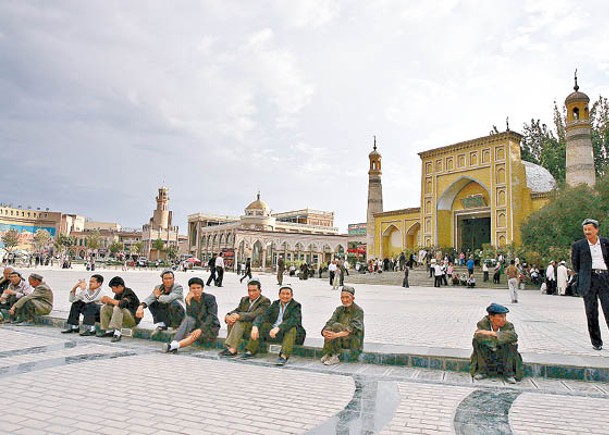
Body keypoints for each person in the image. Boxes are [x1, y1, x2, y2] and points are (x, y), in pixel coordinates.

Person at [241, 284, 306, 366]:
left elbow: (293, 320)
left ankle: (284, 356)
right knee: (263, 325)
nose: (285, 296)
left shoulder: (296, 305)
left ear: (291, 295)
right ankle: (250, 351)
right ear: (279, 295)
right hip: (275, 333)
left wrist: (278, 328)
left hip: (292, 335)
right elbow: (264, 315)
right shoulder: (275, 304)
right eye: (283, 293)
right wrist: (255, 326)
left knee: (291, 328)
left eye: (287, 294)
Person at [571, 218, 609, 350]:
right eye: (585, 230)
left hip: (605, 278)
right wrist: (585, 275)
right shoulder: (578, 246)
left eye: (589, 229)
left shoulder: (606, 243)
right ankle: (596, 342)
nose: (587, 232)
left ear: (596, 230)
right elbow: (576, 265)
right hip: (589, 280)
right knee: (591, 312)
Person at [162, 277, 220, 353]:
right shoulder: (190, 299)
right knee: (189, 319)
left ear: (202, 288)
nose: (196, 290)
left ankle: (173, 346)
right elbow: (190, 315)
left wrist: (201, 329)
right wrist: (188, 302)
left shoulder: (210, 298)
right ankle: (173, 344)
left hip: (210, 326)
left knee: (195, 334)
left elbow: (212, 316)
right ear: (190, 289)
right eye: (193, 288)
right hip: (197, 324)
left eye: (198, 288)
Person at [470, 303, 523, 384]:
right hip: (488, 355)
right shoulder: (482, 324)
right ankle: (482, 371)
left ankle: (508, 374)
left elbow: (513, 336)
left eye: (505, 316)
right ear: (491, 317)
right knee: (477, 341)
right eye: (501, 316)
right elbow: (478, 336)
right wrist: (498, 340)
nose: (504, 319)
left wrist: (492, 334)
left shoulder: (508, 325)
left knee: (512, 344)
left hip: (504, 356)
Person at [218, 277, 271, 358]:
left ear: (260, 291)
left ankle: (233, 349)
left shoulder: (265, 301)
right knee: (232, 320)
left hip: (256, 328)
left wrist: (238, 316)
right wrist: (228, 315)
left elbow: (254, 314)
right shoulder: (244, 299)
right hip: (245, 328)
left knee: (239, 321)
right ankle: (231, 347)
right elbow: (237, 310)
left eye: (254, 291)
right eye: (249, 291)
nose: (251, 293)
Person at [320, 286, 364, 365]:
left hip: (352, 341)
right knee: (330, 327)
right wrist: (324, 332)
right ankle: (329, 353)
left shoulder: (358, 311)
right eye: (342, 298)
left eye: (347, 297)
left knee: (336, 326)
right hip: (340, 338)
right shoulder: (339, 309)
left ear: (353, 298)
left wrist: (336, 335)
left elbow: (353, 329)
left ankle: (335, 355)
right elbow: (330, 321)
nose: (344, 300)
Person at [136, 270, 185, 336]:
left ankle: (177, 327)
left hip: (179, 316)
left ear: (173, 279)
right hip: (168, 316)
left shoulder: (178, 287)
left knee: (175, 303)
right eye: (166, 279)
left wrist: (158, 296)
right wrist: (141, 306)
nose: (168, 281)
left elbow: (168, 299)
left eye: (170, 278)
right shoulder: (158, 288)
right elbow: (150, 298)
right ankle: (162, 324)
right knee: (152, 302)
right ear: (162, 280)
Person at [98, 276, 141, 342]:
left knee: (118, 308)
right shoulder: (118, 294)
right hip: (123, 318)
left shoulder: (129, 293)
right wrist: (107, 302)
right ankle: (108, 330)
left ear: (120, 286)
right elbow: (114, 304)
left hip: (132, 319)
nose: (112, 291)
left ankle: (117, 333)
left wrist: (110, 299)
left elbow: (121, 304)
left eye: (113, 288)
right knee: (104, 307)